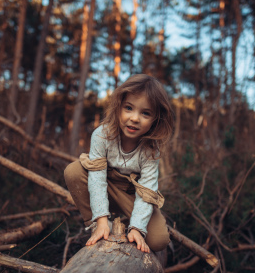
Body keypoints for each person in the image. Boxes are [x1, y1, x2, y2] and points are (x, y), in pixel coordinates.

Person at [64, 74, 175, 253]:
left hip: (132, 196)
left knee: (158, 240)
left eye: (145, 113)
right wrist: (100, 220)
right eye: (129, 108)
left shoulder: (150, 150)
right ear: (118, 107)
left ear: (156, 119)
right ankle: (99, 225)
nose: (134, 118)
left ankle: (128, 224)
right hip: (106, 187)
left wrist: (137, 228)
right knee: (74, 171)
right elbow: (97, 178)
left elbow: (147, 191)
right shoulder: (102, 135)